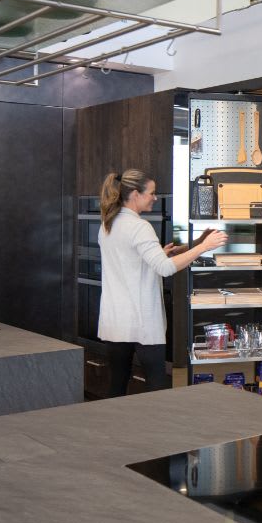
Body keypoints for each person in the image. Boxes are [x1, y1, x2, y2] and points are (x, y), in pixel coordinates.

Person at [99, 169, 227, 396]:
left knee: (116, 388)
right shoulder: (140, 227)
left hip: (116, 322)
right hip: (142, 323)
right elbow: (165, 268)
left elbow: (135, 261)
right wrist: (203, 247)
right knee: (157, 390)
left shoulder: (108, 224)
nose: (155, 197)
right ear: (136, 194)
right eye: (151, 193)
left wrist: (192, 244)